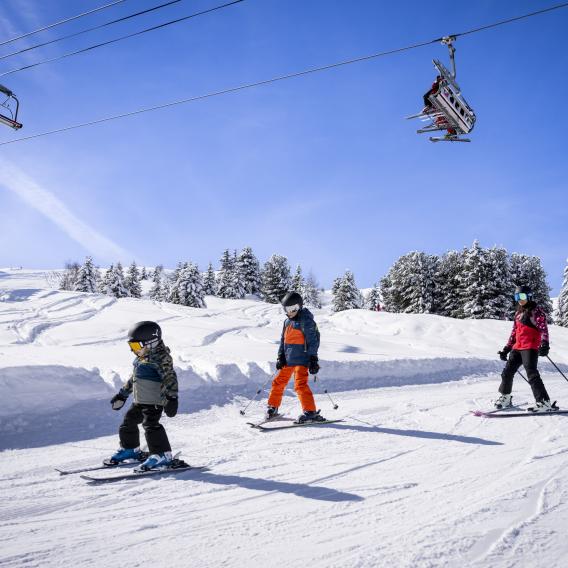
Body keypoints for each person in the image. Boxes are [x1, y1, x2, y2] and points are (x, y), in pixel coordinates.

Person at [109, 321, 179, 470]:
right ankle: (131, 449)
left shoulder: (161, 359)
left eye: (136, 346)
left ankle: (162, 455)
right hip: (140, 400)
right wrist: (122, 395)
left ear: (151, 343)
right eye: (131, 346)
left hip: (154, 402)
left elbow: (170, 378)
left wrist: (172, 398)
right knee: (128, 422)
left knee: (151, 425)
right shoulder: (142, 358)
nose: (133, 350)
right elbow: (134, 379)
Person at [495, 285, 557, 413]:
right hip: (517, 347)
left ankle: (543, 402)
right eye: (517, 296)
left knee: (532, 374)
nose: (520, 299)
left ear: (529, 296)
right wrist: (506, 349)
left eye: (522, 296)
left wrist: (545, 344)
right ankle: (506, 397)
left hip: (530, 347)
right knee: (507, 372)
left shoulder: (536, 311)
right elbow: (514, 333)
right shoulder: (518, 313)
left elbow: (543, 329)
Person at [266, 291, 325, 424]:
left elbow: (313, 341)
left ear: (298, 307)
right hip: (288, 359)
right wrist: (280, 356)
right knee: (278, 382)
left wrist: (313, 359)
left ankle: (310, 412)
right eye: (286, 309)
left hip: (302, 360)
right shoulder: (287, 322)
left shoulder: (306, 320)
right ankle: (273, 407)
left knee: (300, 385)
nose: (288, 312)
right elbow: (283, 340)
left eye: (291, 309)